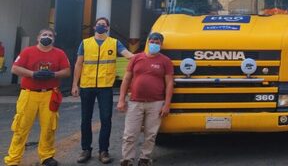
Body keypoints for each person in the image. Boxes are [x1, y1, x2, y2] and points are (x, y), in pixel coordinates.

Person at [71, 17, 134, 164]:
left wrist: (145, 56)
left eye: (103, 25)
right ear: (94, 27)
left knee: (106, 119)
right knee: (85, 119)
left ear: (107, 28)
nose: (101, 26)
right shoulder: (85, 43)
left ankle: (103, 151)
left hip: (105, 87)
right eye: (98, 24)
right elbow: (78, 64)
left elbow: (128, 55)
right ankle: (86, 150)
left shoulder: (114, 43)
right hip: (87, 86)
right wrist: (75, 84)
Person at [4, 28, 71, 166]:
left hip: (49, 94)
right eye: (44, 34)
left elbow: (67, 71)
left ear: (54, 39)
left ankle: (46, 156)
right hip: (29, 94)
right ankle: (13, 159)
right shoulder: (27, 51)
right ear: (38, 37)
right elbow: (15, 68)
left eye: (50, 35)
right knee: (21, 127)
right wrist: (32, 74)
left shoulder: (59, 54)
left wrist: (54, 74)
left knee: (49, 127)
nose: (47, 37)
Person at [117, 32, 173, 166]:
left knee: (151, 134)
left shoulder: (165, 61)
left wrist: (166, 104)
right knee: (130, 134)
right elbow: (126, 79)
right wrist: (121, 99)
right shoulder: (136, 58)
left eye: (157, 42)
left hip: (156, 103)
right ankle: (127, 159)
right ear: (148, 42)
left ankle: (145, 159)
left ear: (161, 44)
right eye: (152, 41)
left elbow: (170, 83)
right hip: (135, 102)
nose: (154, 44)